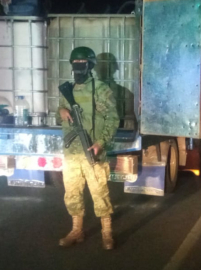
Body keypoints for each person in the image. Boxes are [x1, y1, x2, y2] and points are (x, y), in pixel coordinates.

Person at [57, 47, 119, 250]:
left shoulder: (101, 90)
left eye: (83, 63)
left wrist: (100, 143)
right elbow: (60, 109)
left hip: (92, 151)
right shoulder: (69, 89)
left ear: (90, 66)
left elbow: (112, 119)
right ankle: (77, 231)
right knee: (72, 193)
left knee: (99, 193)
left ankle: (107, 234)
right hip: (72, 153)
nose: (78, 67)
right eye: (76, 63)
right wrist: (62, 109)